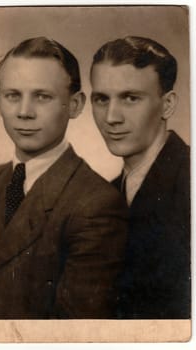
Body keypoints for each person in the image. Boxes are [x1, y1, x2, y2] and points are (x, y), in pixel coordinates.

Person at [0, 37, 128, 319]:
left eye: (42, 97)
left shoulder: (96, 204)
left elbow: (73, 331)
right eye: (13, 95)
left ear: (74, 105)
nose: (24, 112)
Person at [90, 36, 190, 319]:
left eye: (130, 98)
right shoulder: (105, 195)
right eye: (101, 99)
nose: (111, 117)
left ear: (168, 105)